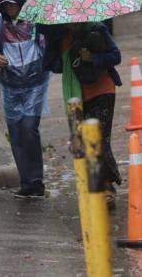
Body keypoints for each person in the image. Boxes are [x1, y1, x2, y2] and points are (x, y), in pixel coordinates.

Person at [0, 0, 51, 199]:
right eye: (6, 5)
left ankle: (36, 181)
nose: (10, 9)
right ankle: (26, 183)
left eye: (13, 4)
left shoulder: (34, 21)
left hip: (36, 82)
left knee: (28, 127)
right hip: (10, 84)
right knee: (15, 132)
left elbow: (46, 48)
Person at [52, 23, 123, 205]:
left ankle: (107, 186)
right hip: (77, 98)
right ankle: (97, 185)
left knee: (99, 140)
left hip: (102, 92)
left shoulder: (97, 29)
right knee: (84, 143)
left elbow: (115, 56)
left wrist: (92, 57)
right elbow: (56, 66)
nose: (73, 22)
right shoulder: (62, 37)